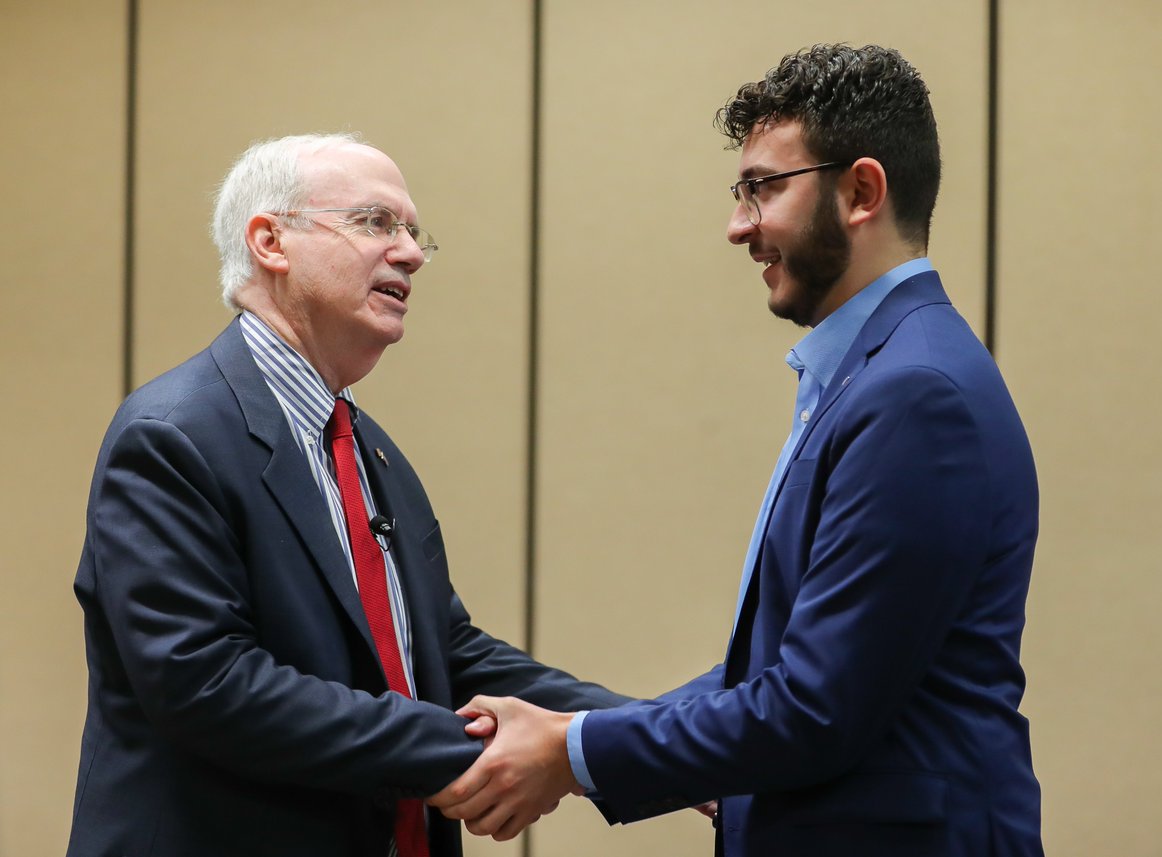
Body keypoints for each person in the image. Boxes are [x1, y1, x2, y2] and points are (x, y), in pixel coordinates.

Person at [428, 44, 1044, 857]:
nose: (737, 225)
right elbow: (779, 671)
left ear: (861, 190)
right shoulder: (879, 373)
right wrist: (584, 734)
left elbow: (814, 707)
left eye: (763, 188)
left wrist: (571, 750)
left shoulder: (915, 394)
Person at [67, 132, 628, 857]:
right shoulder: (172, 435)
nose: (412, 252)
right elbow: (209, 682)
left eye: (415, 232)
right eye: (375, 223)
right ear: (270, 241)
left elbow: (444, 654)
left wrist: (632, 737)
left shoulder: (369, 450)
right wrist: (477, 748)